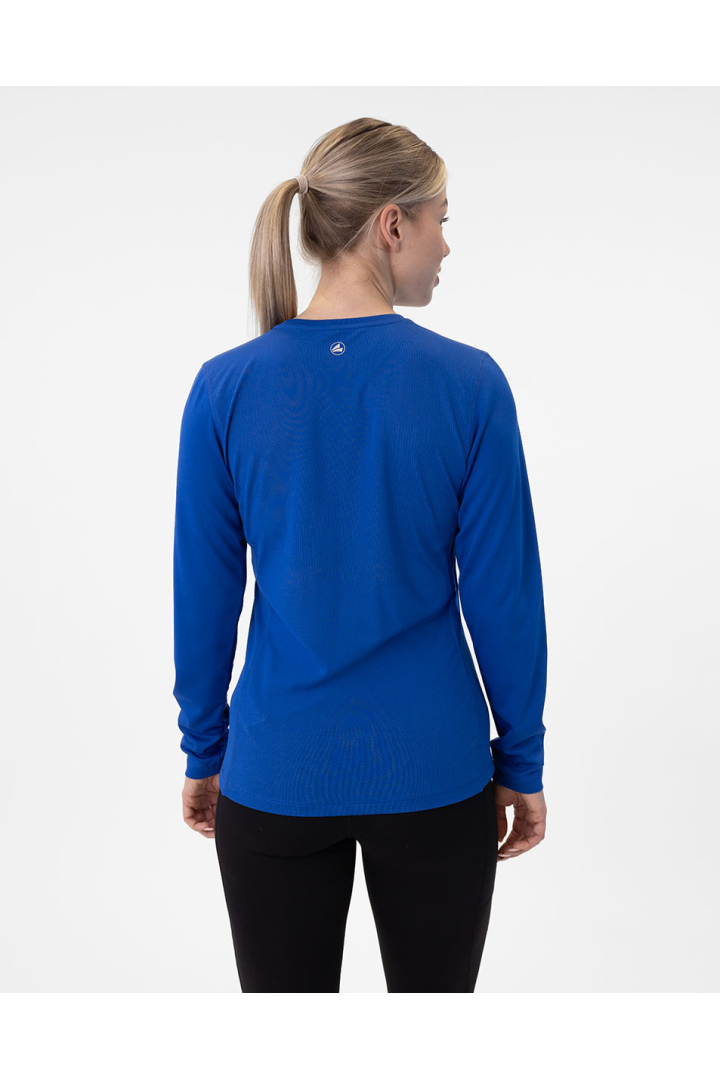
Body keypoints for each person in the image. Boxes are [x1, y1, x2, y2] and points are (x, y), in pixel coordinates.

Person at [172, 116, 548, 993]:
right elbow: (505, 597)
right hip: (435, 774)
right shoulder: (470, 384)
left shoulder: (225, 387)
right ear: (392, 224)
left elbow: (204, 594)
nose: (446, 245)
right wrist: (521, 761)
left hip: (275, 773)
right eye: (441, 220)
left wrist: (204, 749)